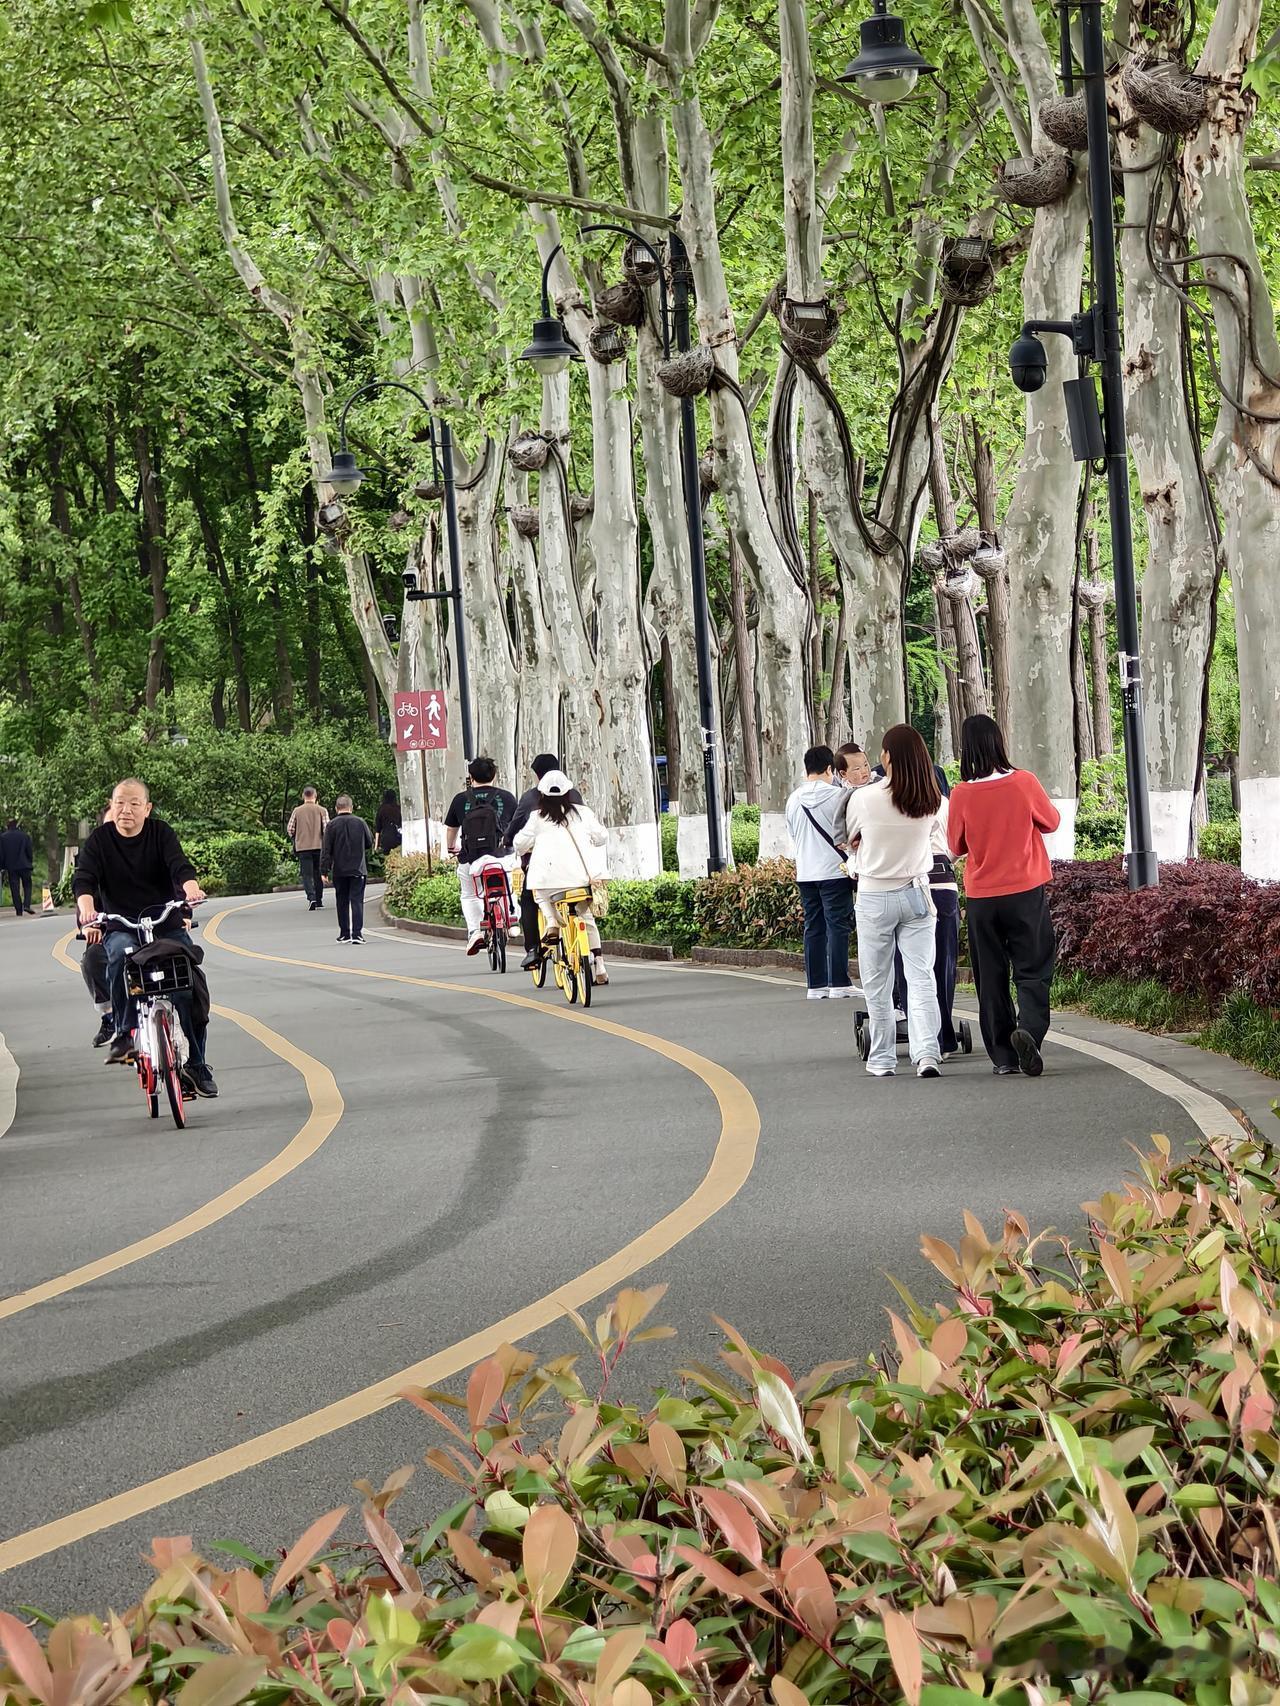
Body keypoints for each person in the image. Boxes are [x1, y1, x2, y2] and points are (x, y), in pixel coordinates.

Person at [73, 778, 216, 1096]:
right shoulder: (99, 840)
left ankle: (197, 1064)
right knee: (119, 957)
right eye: (119, 802)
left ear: (147, 808)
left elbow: (180, 866)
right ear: (111, 805)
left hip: (165, 924)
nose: (126, 809)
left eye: (134, 803)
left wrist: (191, 889)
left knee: (189, 989)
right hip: (123, 926)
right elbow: (84, 879)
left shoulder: (161, 833)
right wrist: (87, 909)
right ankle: (125, 1035)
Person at [948, 713, 1061, 1078]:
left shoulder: (961, 793)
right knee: (1033, 968)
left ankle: (1003, 1057)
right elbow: (1052, 821)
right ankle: (1029, 1030)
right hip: (1025, 891)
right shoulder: (1024, 782)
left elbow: (955, 845)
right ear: (999, 742)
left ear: (966, 749)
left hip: (983, 897)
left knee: (991, 975)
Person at [843, 725, 947, 1079]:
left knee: (878, 982)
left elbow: (848, 838)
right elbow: (938, 838)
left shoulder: (865, 798)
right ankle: (927, 1053)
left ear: (887, 757)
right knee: (921, 978)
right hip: (917, 893)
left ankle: (883, 1058)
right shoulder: (931, 799)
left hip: (874, 895)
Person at [512, 769, 611, 985]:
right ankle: (600, 966)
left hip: (550, 883)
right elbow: (602, 837)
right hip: (584, 881)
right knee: (585, 916)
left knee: (538, 894)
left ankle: (551, 923)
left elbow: (519, 844)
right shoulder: (583, 813)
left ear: (542, 794)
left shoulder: (537, 817)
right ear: (568, 792)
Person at [784, 745, 854, 1001]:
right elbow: (849, 834)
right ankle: (839, 983)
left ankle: (816, 985)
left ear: (807, 769)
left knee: (813, 927)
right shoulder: (839, 796)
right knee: (837, 926)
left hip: (806, 873)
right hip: (835, 872)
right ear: (829, 769)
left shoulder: (793, 799)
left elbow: (792, 834)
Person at [507, 754, 581, 970]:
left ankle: (533, 950)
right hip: (577, 865)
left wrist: (507, 840)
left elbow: (516, 831)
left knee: (529, 898)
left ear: (538, 776)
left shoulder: (531, 799)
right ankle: (595, 958)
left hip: (542, 866)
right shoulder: (575, 795)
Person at [444, 757, 519, 956]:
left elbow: (452, 829)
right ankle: (512, 919)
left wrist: (451, 847)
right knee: (509, 887)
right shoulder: (507, 798)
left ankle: (475, 931)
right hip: (502, 856)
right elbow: (519, 825)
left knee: (469, 894)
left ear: (471, 776)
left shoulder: (460, 799)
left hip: (471, 858)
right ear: (494, 775)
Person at [321, 795, 374, 944]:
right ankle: (357, 934)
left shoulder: (331, 825)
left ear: (336, 808)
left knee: (342, 901)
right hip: (358, 868)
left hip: (339, 870)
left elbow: (326, 850)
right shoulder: (360, 822)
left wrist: (324, 871)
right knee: (357, 901)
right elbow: (369, 842)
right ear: (351, 807)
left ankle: (344, 933)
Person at [287, 787, 329, 911]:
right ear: (315, 796)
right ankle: (319, 900)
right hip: (319, 846)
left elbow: (290, 829)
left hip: (303, 847)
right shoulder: (322, 810)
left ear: (303, 796)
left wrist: (297, 836)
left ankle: (311, 898)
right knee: (318, 873)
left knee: (306, 874)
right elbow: (327, 829)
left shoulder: (297, 811)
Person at [1, 818, 34, 916]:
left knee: (14, 888)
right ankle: (27, 904)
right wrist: (29, 862)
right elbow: (29, 851)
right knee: (27, 885)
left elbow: (1, 854)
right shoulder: (24, 836)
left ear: (7, 826)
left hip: (11, 867)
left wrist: (2, 866)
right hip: (24, 865)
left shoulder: (3, 838)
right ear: (17, 825)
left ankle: (18, 910)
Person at [374, 789, 402, 856]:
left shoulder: (381, 809)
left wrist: (376, 847)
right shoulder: (398, 809)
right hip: (397, 838)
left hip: (385, 839)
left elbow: (377, 830)